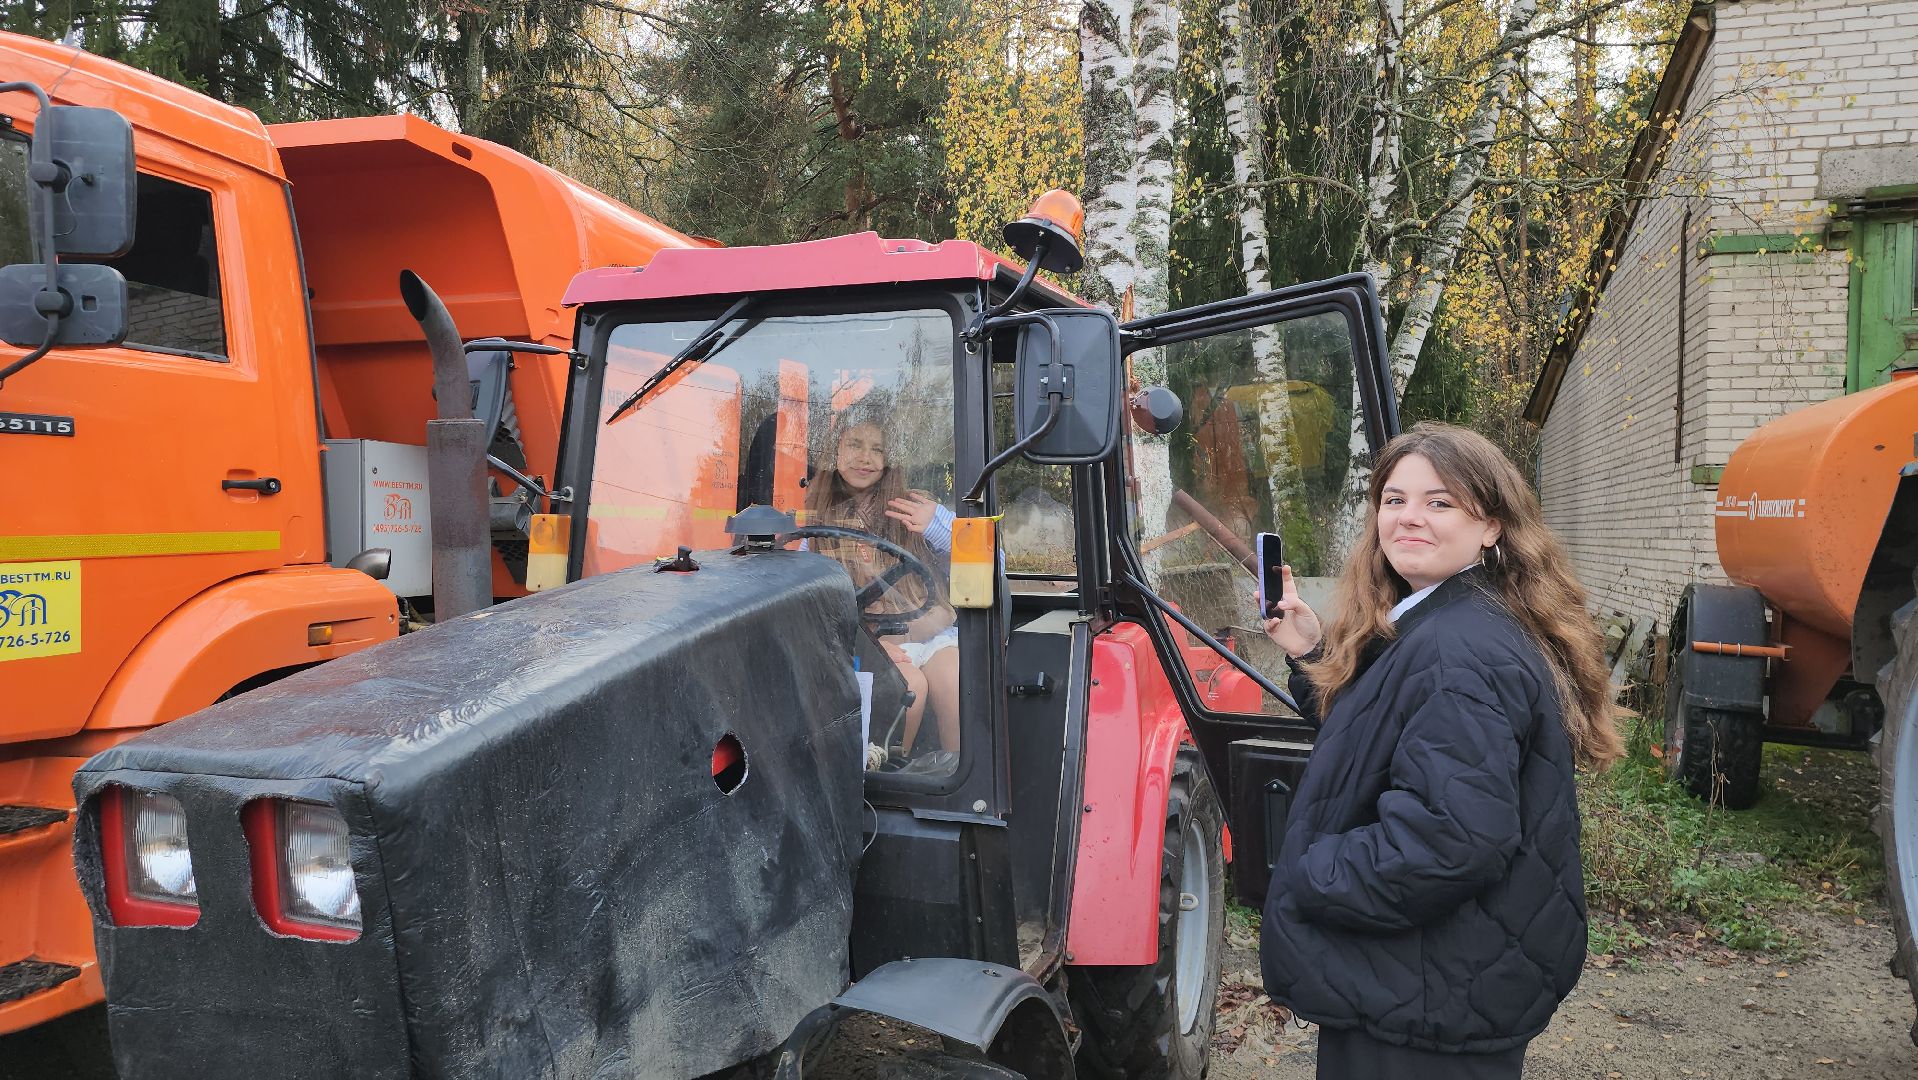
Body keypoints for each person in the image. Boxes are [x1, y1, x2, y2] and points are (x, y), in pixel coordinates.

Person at [1258, 421, 1623, 1080]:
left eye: (1440, 501)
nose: (1409, 518)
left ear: (1491, 526)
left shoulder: (1458, 648)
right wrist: (1315, 655)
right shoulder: (1446, 618)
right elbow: (1386, 740)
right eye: (1394, 500)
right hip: (1437, 980)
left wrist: (1312, 871)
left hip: (1422, 994)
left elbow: (1451, 839)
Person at [804, 409, 961, 759]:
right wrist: (867, 647)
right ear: (835, 452)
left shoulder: (915, 505)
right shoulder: (816, 519)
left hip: (933, 634)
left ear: (890, 458)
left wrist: (936, 526)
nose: (865, 458)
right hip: (870, 643)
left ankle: (956, 778)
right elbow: (807, 597)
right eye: (854, 445)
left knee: (955, 681)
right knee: (909, 690)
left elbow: (990, 560)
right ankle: (889, 777)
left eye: (877, 449)